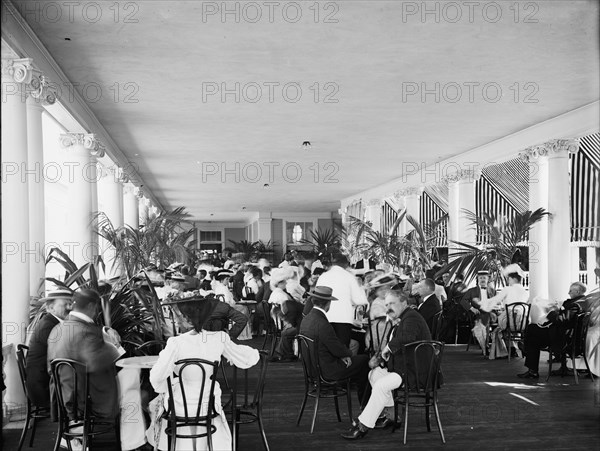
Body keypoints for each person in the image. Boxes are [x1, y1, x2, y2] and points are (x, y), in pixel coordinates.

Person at [147, 298, 259, 450]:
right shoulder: (220, 338)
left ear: (187, 319)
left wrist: (167, 386)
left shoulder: (175, 343)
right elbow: (247, 359)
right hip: (208, 403)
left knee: (158, 402)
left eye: (178, 317)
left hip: (180, 405)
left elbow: (156, 378)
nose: (176, 321)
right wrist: (256, 352)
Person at [341, 290, 432, 440]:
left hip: (416, 372)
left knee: (381, 385)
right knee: (374, 374)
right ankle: (392, 416)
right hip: (405, 366)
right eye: (387, 304)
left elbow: (407, 337)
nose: (388, 307)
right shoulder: (404, 317)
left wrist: (387, 348)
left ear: (404, 303)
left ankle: (362, 425)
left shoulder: (411, 318)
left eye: (392, 303)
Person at [47, 289, 122, 422]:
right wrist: (116, 349)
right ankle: (132, 441)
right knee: (132, 384)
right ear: (91, 306)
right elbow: (95, 364)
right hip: (83, 398)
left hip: (63, 394)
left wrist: (105, 330)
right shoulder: (85, 332)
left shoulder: (57, 329)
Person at [299, 286, 370, 405]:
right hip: (327, 371)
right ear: (328, 304)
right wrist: (347, 354)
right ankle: (365, 406)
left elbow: (333, 347)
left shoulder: (307, 319)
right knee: (364, 361)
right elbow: (337, 348)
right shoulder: (322, 323)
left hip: (312, 370)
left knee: (357, 360)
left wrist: (342, 354)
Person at [518, 282, 587, 379]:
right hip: (565, 335)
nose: (568, 293)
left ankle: (530, 363)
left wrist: (551, 312)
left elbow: (561, 320)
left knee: (532, 330)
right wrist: (557, 309)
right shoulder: (582, 302)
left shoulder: (576, 305)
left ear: (578, 291)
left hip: (563, 339)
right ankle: (527, 351)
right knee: (533, 333)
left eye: (571, 291)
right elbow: (566, 318)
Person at [25, 289, 73, 408]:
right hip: (45, 389)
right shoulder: (49, 326)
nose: (69, 308)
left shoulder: (53, 322)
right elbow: (66, 354)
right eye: (65, 304)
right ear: (51, 308)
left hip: (46, 382)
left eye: (71, 304)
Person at [316, 253, 368, 347]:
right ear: (346, 264)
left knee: (327, 346)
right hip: (343, 319)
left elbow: (318, 295)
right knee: (342, 347)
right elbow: (359, 300)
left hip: (325, 317)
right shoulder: (349, 277)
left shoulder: (323, 276)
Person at [485, 265, 529, 359]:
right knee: (507, 323)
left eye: (508, 278)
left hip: (510, 322)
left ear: (513, 278)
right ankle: (515, 347)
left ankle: (505, 351)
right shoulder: (525, 292)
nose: (508, 280)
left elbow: (495, 300)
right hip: (522, 323)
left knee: (499, 328)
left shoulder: (507, 289)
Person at [460, 270, 497, 353]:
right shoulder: (472, 291)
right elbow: (463, 301)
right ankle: (486, 346)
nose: (483, 279)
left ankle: (507, 349)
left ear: (488, 279)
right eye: (481, 278)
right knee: (484, 317)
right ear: (478, 279)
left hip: (491, 314)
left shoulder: (493, 291)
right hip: (478, 314)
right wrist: (472, 308)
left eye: (484, 278)